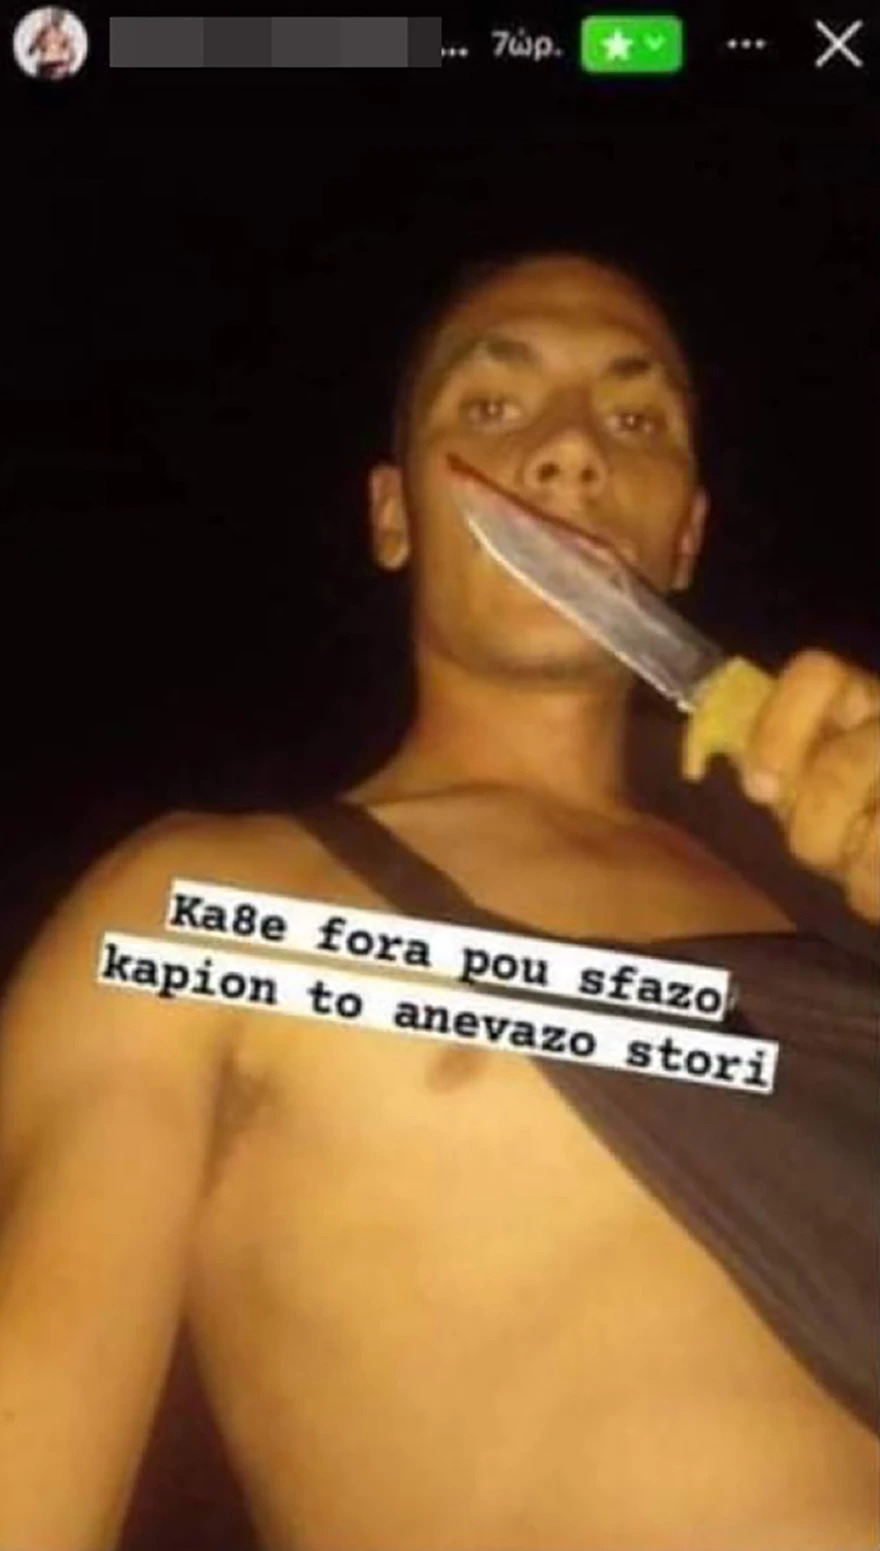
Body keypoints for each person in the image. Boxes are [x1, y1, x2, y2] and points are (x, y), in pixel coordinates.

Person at [0, 251, 877, 1551]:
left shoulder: (838, 894)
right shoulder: (200, 913)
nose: (571, 450)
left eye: (636, 419)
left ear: (686, 533)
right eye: (492, 406)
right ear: (393, 513)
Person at [25, 8, 77, 79]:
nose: (53, 19)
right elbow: (29, 52)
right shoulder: (41, 34)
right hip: (47, 66)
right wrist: (34, 41)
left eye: (57, 16)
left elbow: (73, 56)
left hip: (59, 66)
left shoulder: (63, 35)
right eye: (51, 16)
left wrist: (70, 45)